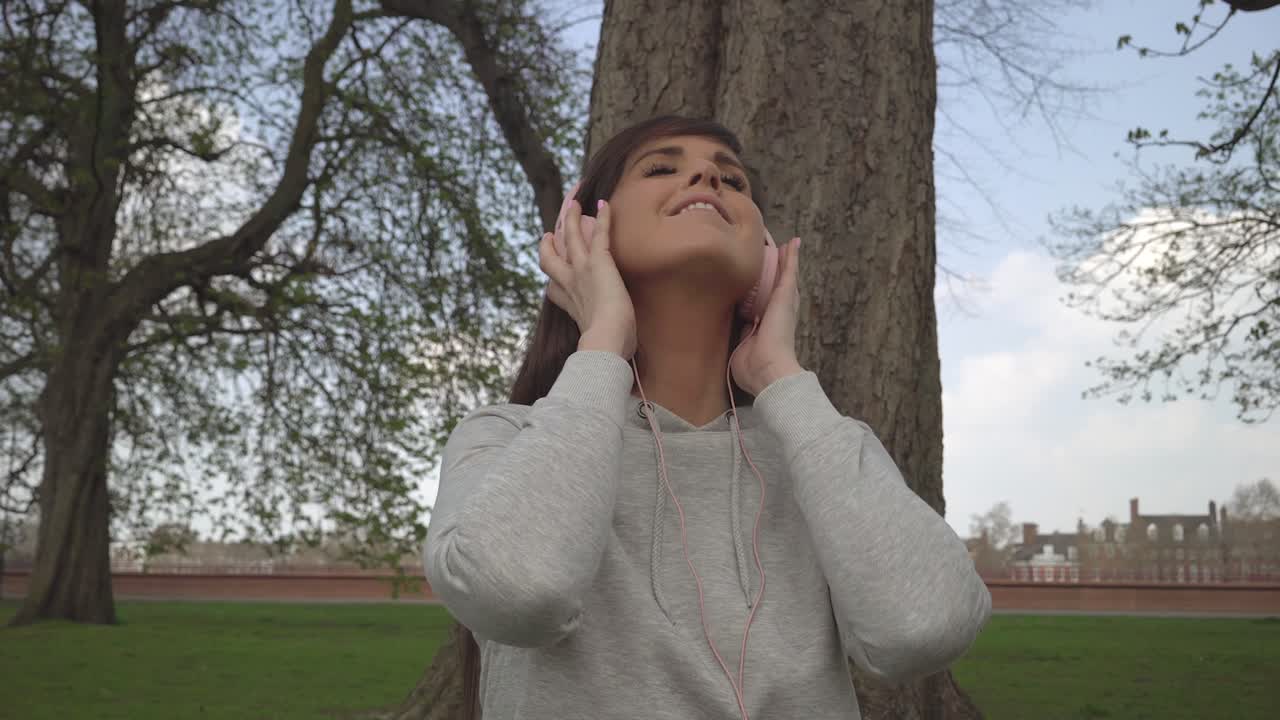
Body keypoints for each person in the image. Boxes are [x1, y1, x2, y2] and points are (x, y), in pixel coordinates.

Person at [424, 115, 991, 720]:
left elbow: (926, 629)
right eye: (661, 168)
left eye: (732, 179)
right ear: (583, 236)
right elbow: (517, 593)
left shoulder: (819, 450)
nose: (706, 176)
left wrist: (780, 376)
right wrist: (603, 340)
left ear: (766, 262)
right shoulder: (503, 439)